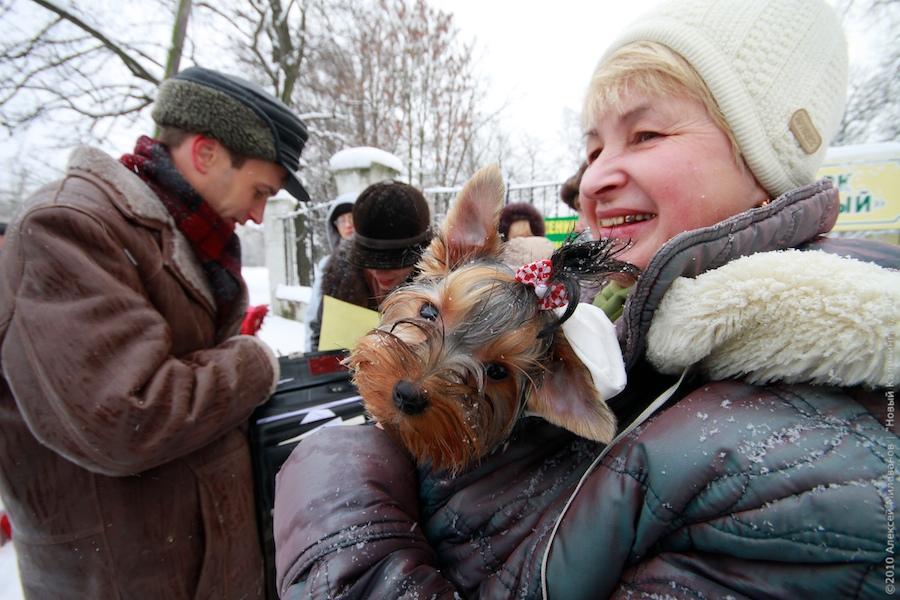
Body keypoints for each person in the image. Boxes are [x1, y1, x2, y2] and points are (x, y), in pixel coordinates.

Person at [273, 0, 899, 597]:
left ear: (766, 164)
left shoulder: (812, 469)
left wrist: (336, 483)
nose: (594, 177)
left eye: (647, 133)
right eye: (594, 146)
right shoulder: (619, 332)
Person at [0, 66, 311, 599]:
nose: (260, 216)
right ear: (206, 154)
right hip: (129, 577)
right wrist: (253, 363)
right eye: (260, 191)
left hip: (201, 566)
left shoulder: (184, 239)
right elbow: (125, 415)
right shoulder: (65, 230)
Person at [306, 180, 431, 351]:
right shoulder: (338, 277)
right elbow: (318, 334)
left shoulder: (441, 293)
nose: (380, 272)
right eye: (369, 259)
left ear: (423, 254)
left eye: (395, 260)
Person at [304, 193, 356, 350]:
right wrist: (310, 352)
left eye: (352, 218)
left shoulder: (377, 262)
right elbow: (314, 314)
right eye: (341, 221)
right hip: (333, 350)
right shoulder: (327, 264)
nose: (348, 225)